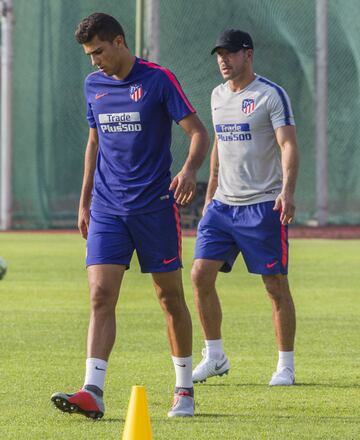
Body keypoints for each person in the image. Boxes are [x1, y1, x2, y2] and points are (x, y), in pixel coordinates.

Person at [51, 13, 209, 419]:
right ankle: (93, 391)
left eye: (99, 52)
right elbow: (93, 143)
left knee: (169, 297)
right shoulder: (93, 86)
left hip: (154, 207)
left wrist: (190, 170)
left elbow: (197, 132)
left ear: (119, 42)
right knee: (100, 295)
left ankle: (184, 389)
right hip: (107, 208)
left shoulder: (158, 79)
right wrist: (85, 200)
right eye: (89, 55)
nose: (94, 62)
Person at [191, 29, 299, 386]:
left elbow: (288, 146)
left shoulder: (270, 95)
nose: (223, 60)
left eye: (230, 53)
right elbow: (220, 143)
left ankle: (285, 365)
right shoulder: (217, 95)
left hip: (262, 205)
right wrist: (210, 194)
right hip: (222, 206)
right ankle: (215, 356)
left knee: (275, 286)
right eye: (219, 54)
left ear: (248, 55)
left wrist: (287, 191)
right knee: (199, 276)